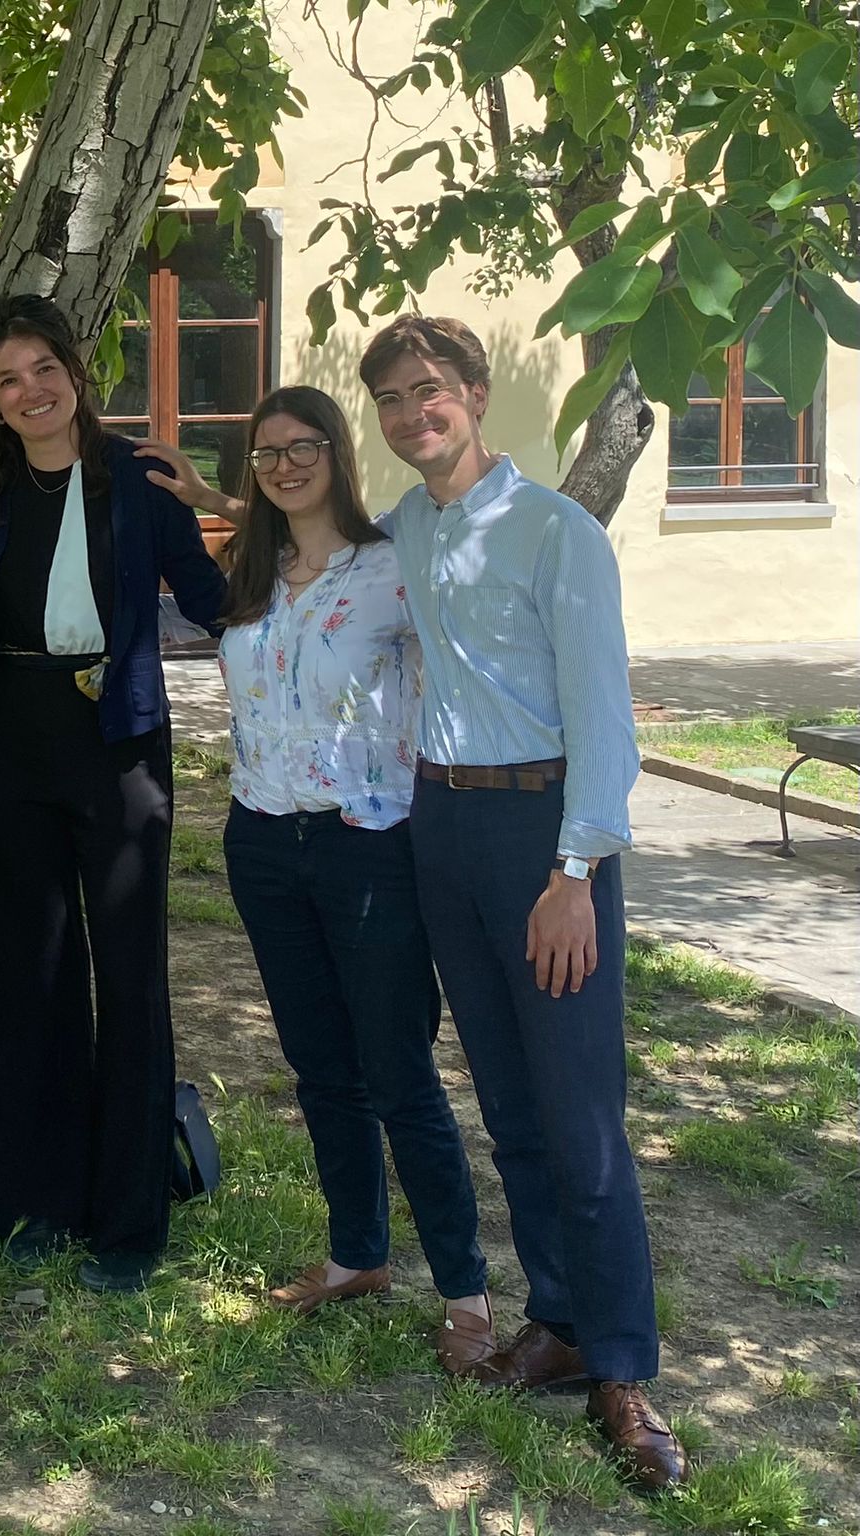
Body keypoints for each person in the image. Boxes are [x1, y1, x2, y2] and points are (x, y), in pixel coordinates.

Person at [359, 315, 685, 1490]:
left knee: (580, 1115)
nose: (411, 414)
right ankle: (553, 1325)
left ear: (475, 392)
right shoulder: (410, 525)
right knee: (507, 1099)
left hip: (543, 835)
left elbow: (604, 713)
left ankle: (622, 1372)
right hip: (441, 828)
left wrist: (574, 871)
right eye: (392, 398)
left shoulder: (555, 533)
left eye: (428, 390)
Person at [210, 385, 491, 1352]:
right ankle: (355, 1253)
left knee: (398, 1072)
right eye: (266, 452)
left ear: (337, 450)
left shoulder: (394, 567)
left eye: (304, 446)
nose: (285, 465)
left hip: (369, 843)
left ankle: (465, 1289)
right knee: (320, 1069)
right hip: (262, 842)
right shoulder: (250, 572)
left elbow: (473, 658)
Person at [0, 295, 226, 1294]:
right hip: (15, 740)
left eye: (41, 368)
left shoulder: (140, 481)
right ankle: (37, 1205)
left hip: (116, 737)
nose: (29, 391)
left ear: (73, 370)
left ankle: (129, 1225)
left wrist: (224, 500)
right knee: (32, 977)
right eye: (7, 379)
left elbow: (212, 603)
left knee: (128, 977)